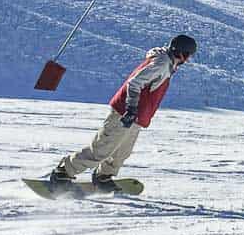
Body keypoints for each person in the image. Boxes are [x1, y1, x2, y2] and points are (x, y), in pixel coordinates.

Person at [47, 34, 196, 188]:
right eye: (189, 56)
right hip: (125, 113)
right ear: (182, 53)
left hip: (136, 117)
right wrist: (131, 108)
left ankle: (103, 176)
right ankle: (63, 172)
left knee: (121, 152)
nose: (188, 60)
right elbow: (134, 83)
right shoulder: (162, 63)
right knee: (101, 149)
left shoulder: (168, 64)